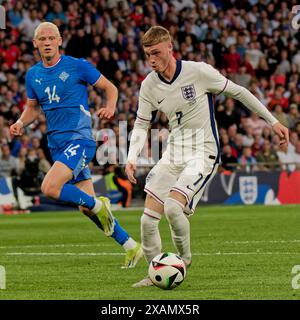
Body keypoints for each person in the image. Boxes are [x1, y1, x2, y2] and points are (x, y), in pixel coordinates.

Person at [125, 26, 289, 287]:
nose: (151, 60)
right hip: (173, 154)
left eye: (156, 53)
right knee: (146, 221)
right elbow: (142, 123)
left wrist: (272, 121)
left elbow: (240, 92)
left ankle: (183, 262)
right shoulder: (149, 85)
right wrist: (132, 156)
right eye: (147, 55)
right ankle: (155, 272)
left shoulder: (197, 72)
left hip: (203, 152)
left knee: (172, 208)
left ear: (169, 48)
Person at [10, 22, 142, 268]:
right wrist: (20, 123)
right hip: (57, 145)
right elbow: (32, 107)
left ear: (60, 40)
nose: (47, 42)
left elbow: (109, 88)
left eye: (51, 38)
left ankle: (98, 204)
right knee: (85, 209)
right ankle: (130, 245)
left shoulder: (77, 65)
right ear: (35, 43)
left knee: (49, 187)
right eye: (42, 39)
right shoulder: (33, 75)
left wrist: (111, 106)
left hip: (79, 139)